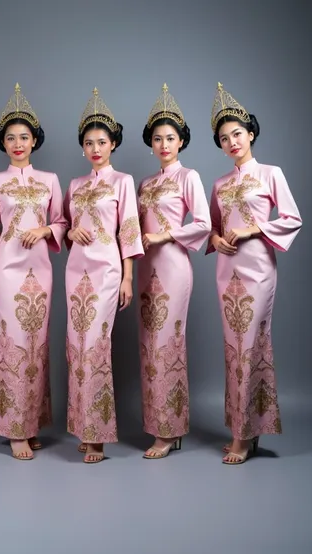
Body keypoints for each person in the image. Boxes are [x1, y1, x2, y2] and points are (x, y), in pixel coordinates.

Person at [207, 82, 302, 464]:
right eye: (224, 138)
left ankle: (243, 437)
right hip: (226, 270)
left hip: (259, 268)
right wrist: (218, 239)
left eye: (237, 134)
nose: (231, 142)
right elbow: (211, 232)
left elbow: (293, 218)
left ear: (250, 134)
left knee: (251, 344)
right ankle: (246, 427)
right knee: (235, 347)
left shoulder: (270, 173)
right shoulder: (219, 184)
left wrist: (252, 228)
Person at [0, 83, 67, 461]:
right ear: (3, 143)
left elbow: (61, 221)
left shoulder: (50, 181)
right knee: (12, 346)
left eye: (24, 137)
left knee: (37, 346)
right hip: (7, 273)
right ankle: (14, 430)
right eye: (10, 138)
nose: (17, 143)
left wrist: (44, 230)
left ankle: (31, 423)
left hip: (40, 272)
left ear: (34, 141)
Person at [64, 88, 144, 463]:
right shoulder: (75, 186)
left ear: (113, 144)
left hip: (108, 270)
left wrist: (128, 278)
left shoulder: (122, 182)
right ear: (82, 148)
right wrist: (68, 232)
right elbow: (66, 226)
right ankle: (83, 426)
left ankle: (96, 436)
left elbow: (129, 231)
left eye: (102, 141)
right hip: (74, 271)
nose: (96, 148)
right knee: (76, 347)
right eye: (89, 143)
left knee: (96, 346)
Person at [138, 83, 211, 459]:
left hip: (173, 266)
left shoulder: (189, 177)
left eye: (170, 137)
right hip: (145, 269)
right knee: (150, 346)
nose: (164, 144)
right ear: (150, 143)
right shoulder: (146, 183)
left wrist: (164, 234)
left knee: (168, 345)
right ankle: (158, 424)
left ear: (181, 141)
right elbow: (130, 227)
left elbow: (202, 223)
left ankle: (169, 430)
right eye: (157, 138)